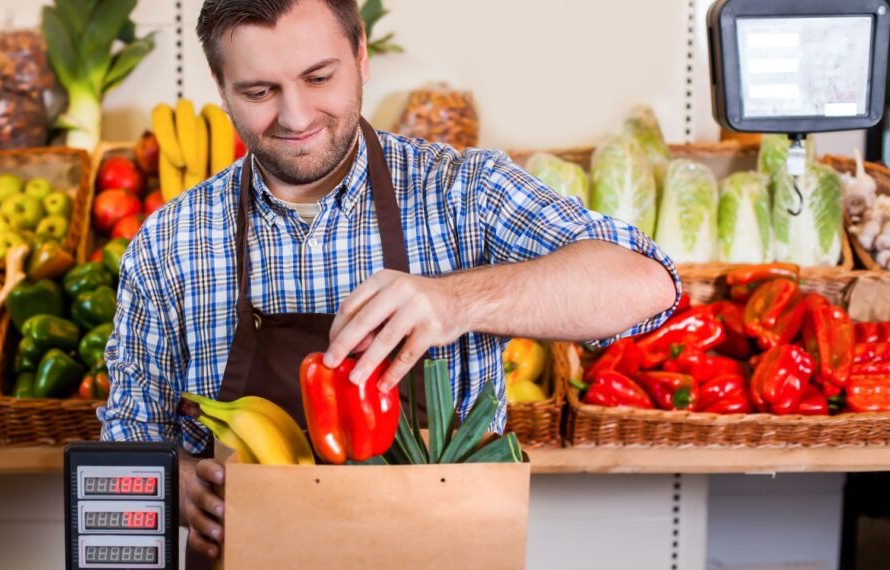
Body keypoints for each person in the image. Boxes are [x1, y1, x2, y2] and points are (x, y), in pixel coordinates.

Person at [99, 0, 681, 564]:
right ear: (221, 87)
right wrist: (176, 487)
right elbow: (128, 437)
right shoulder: (170, 241)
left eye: (318, 77)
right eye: (258, 92)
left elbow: (647, 284)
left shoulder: (462, 192)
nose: (296, 116)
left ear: (361, 56)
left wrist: (457, 300)